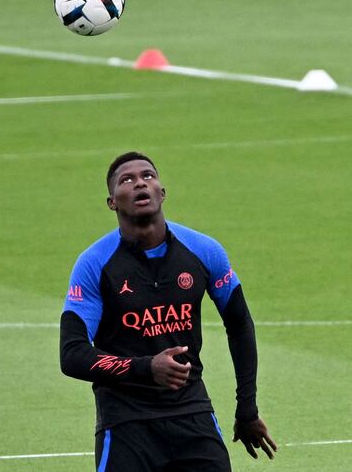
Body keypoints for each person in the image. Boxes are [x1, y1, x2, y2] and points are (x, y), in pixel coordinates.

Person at [60, 152, 276, 471]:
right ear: (112, 202)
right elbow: (72, 354)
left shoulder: (204, 251)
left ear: (162, 192)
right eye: (127, 180)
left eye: (147, 176)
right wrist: (146, 368)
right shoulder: (94, 264)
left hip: (192, 416)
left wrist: (247, 408)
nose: (139, 183)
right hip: (125, 424)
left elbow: (240, 323)